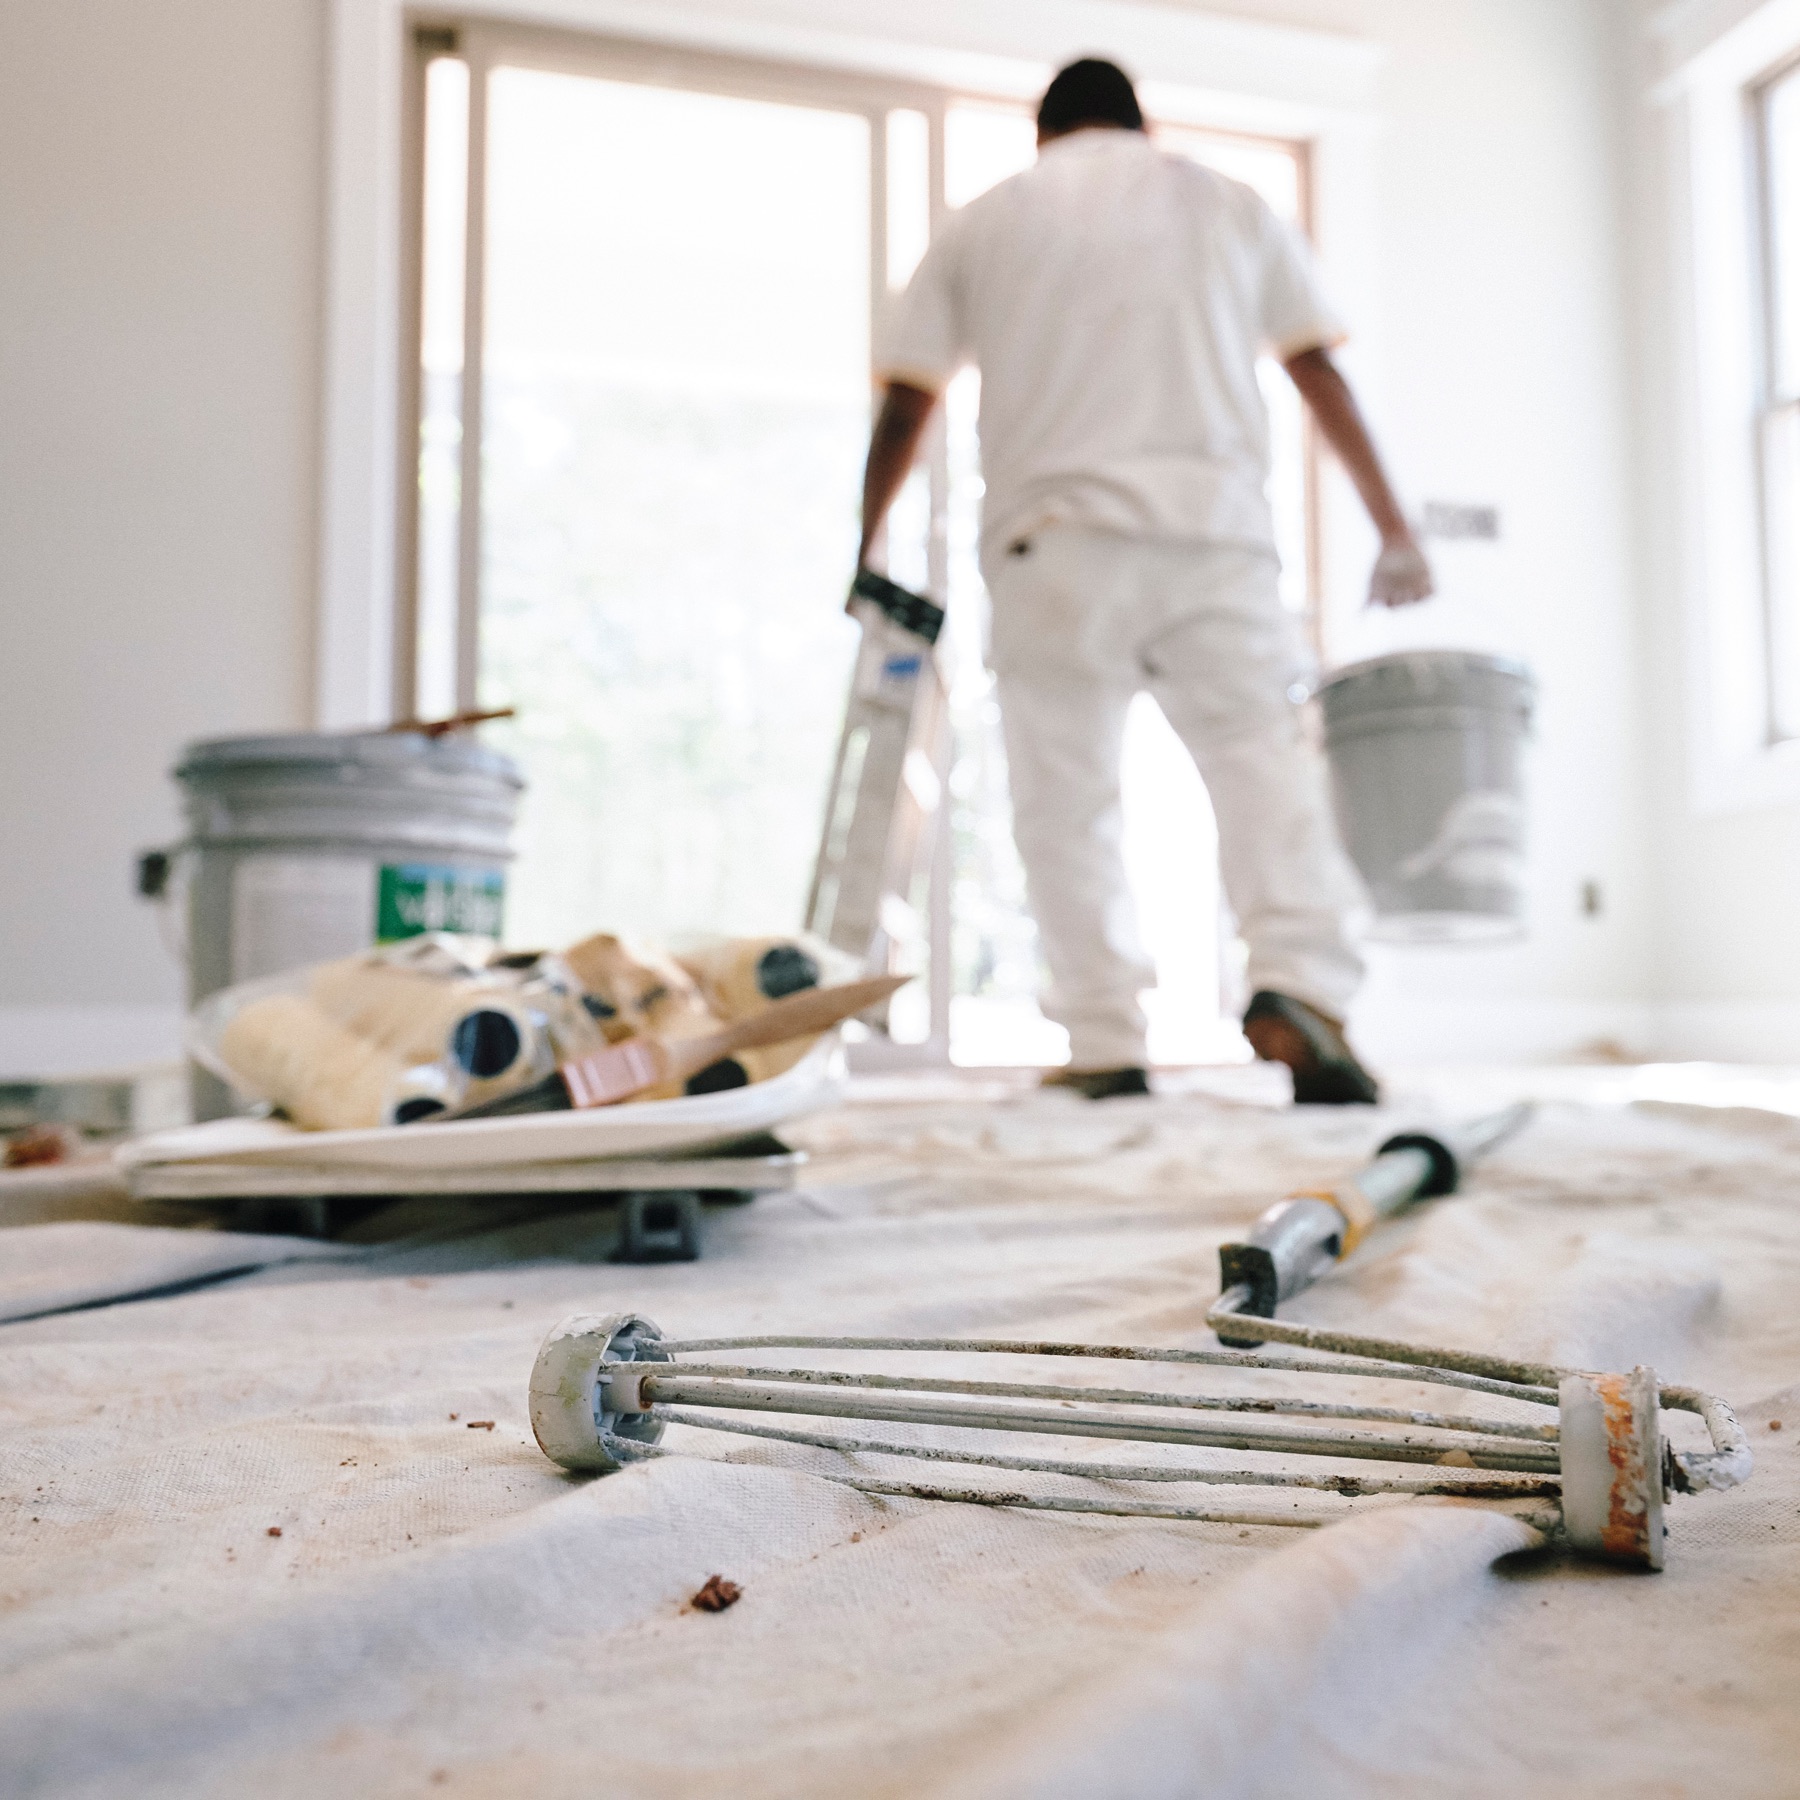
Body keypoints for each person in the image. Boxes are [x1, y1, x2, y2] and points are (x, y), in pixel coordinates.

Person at [853, 58, 1434, 1104]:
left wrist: (867, 545)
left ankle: (1104, 1042)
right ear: (1139, 124)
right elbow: (1316, 368)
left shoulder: (986, 219)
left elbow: (908, 398)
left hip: (1053, 544)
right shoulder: (1229, 204)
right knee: (1263, 772)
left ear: (1045, 132)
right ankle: (1301, 984)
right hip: (1214, 541)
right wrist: (1395, 529)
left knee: (1066, 803)